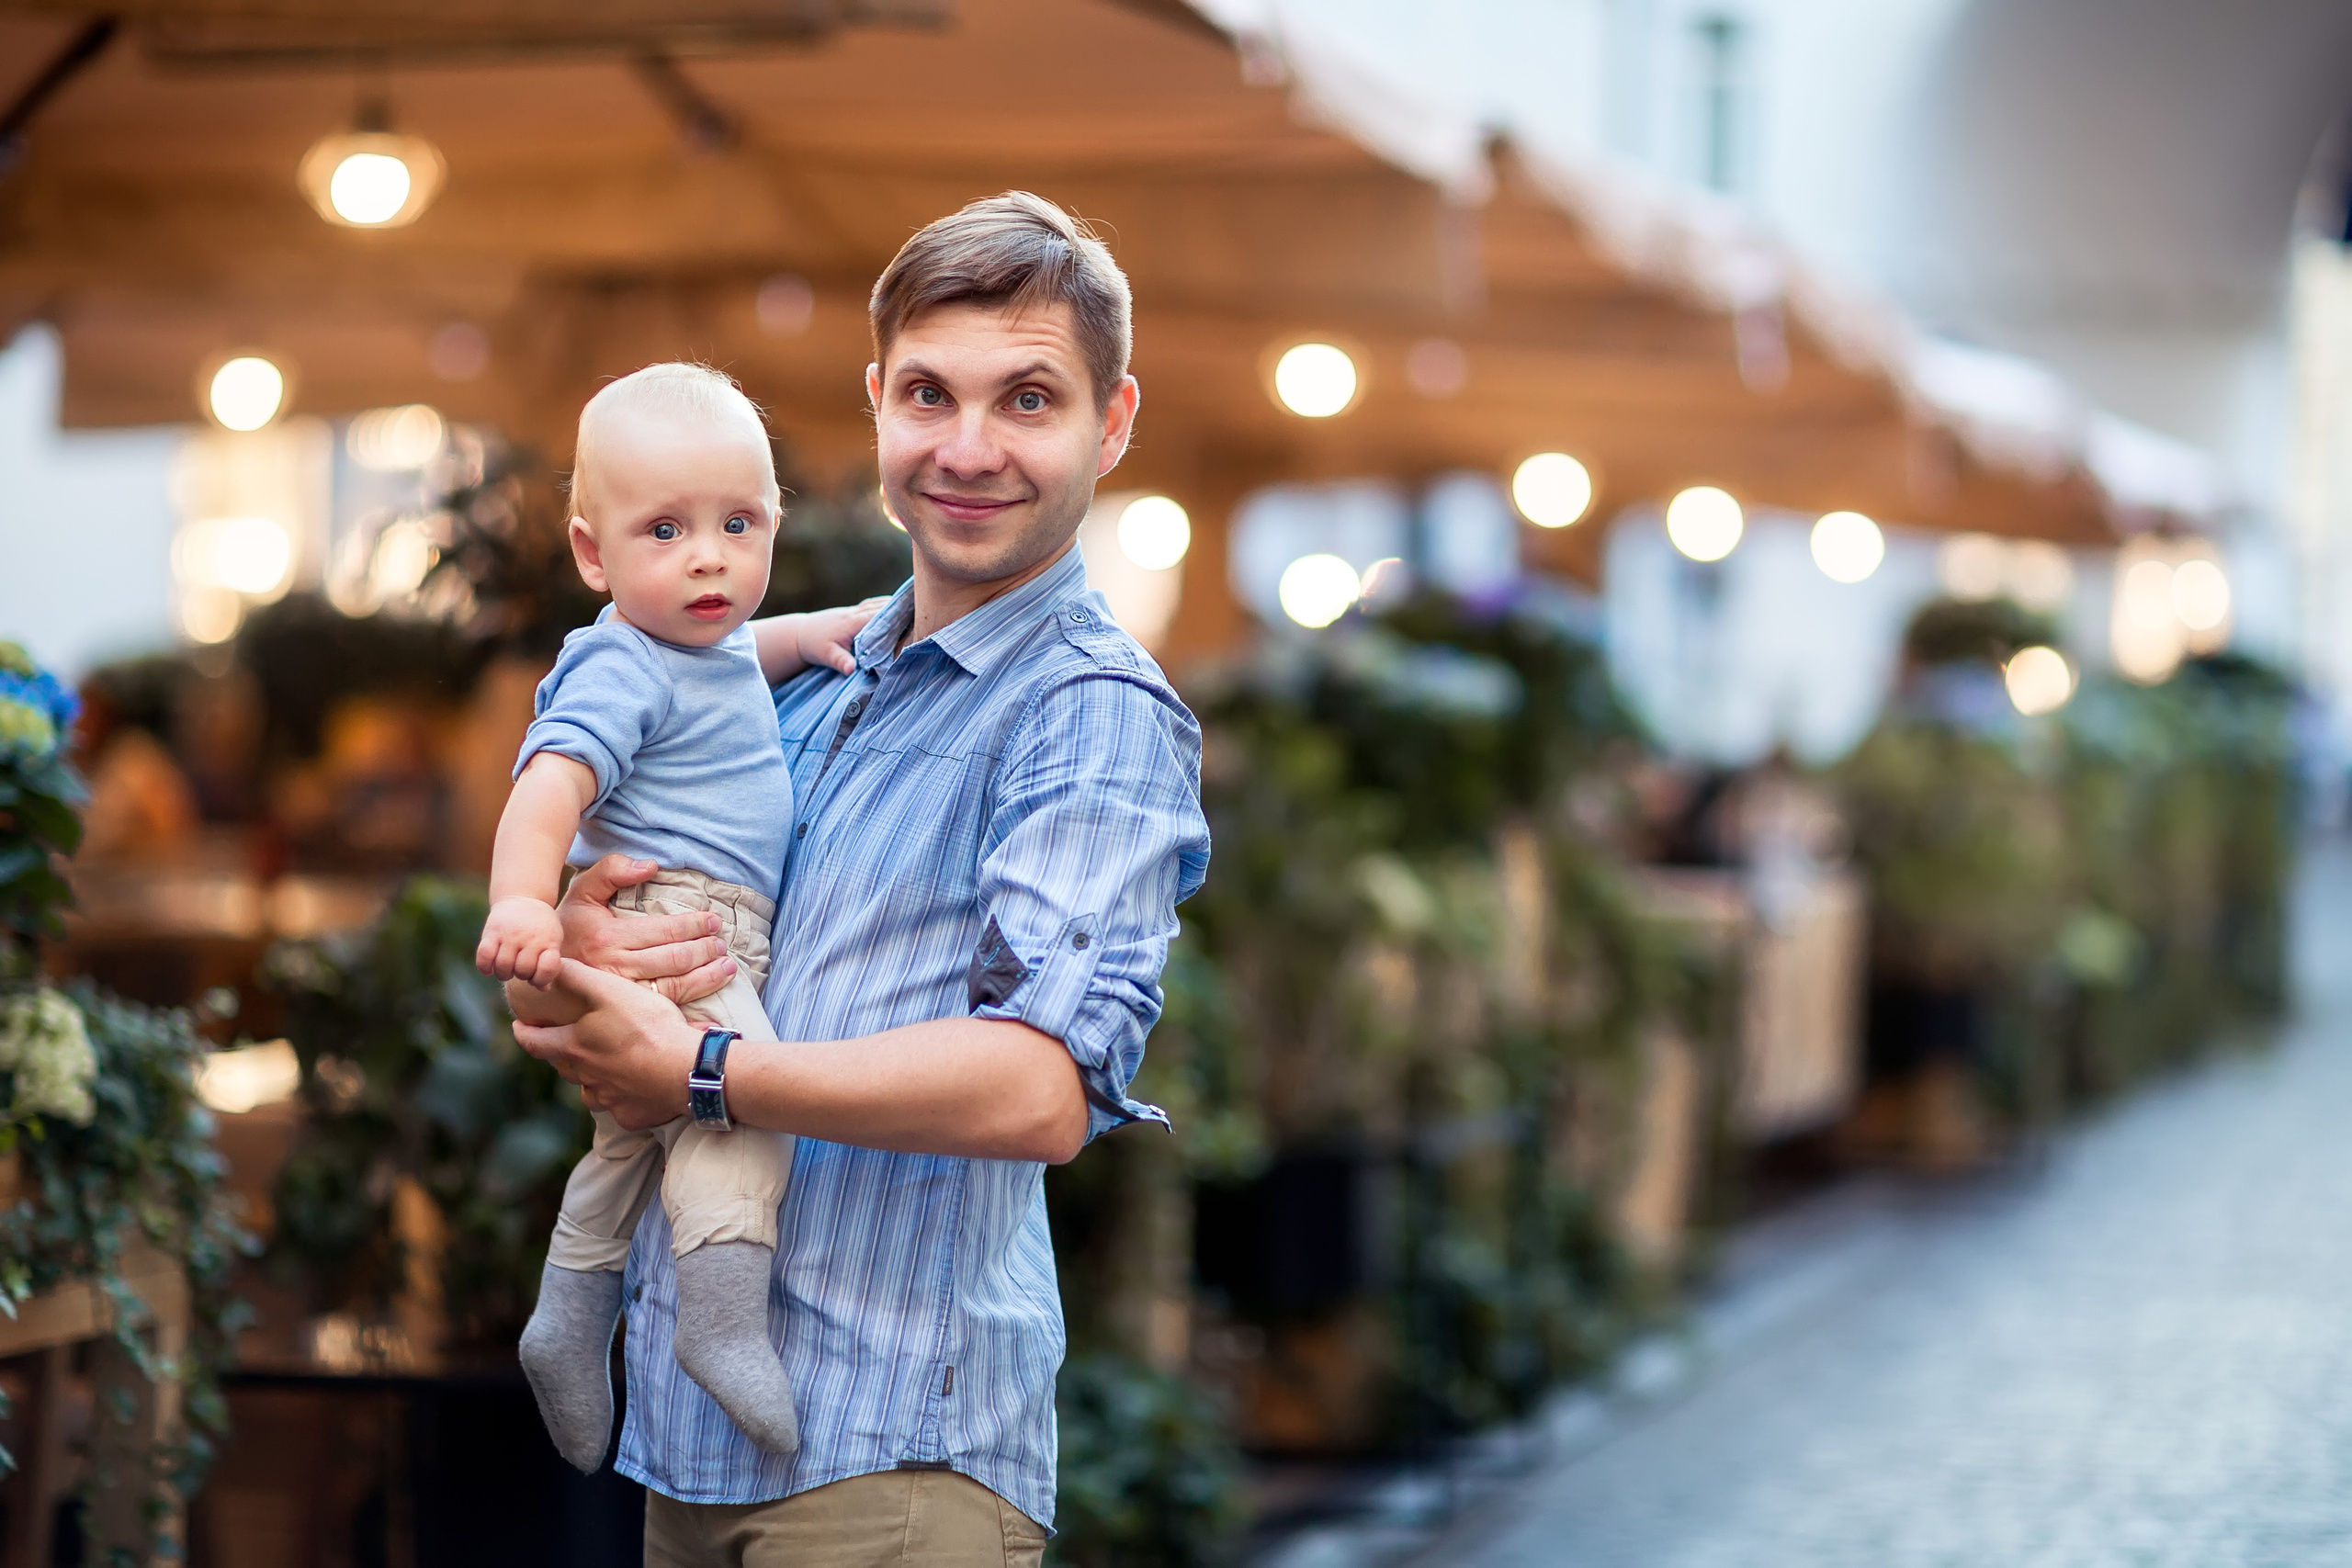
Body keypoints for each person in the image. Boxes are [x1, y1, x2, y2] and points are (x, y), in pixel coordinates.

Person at [510, 191, 1211, 1566]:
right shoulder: (799, 678)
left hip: (894, 1463)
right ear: (877, 401)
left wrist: (703, 1069)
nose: (968, 447)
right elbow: (643, 966)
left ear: (1113, 422)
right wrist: (589, 949)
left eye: (1028, 399)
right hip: (691, 1445)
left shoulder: (1088, 710)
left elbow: (1042, 1088)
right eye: (930, 394)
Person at [477, 361, 881, 1468]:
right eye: (665, 530)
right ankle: (721, 1324)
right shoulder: (623, 667)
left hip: (691, 923)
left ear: (773, 524)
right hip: (683, 925)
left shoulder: (694, 644)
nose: (708, 557)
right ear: (591, 555)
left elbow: (741, 652)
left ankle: (567, 1319)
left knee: (628, 1140)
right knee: (738, 1110)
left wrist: (812, 632)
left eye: (737, 524)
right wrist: (523, 902)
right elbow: (547, 786)